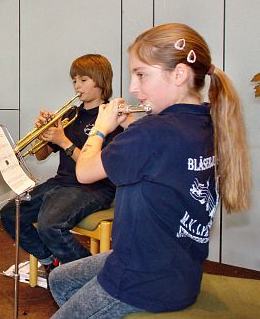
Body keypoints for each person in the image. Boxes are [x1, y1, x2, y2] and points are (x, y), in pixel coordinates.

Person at [49, 23, 252, 317]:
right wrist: (129, 125)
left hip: (140, 279)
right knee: (59, 277)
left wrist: (101, 128)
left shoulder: (151, 132)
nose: (133, 87)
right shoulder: (205, 120)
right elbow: (160, 155)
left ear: (179, 74)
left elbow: (85, 172)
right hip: (177, 269)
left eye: (141, 74)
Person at [0, 54, 132, 273]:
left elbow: (98, 167)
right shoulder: (71, 114)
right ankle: (51, 261)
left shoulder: (111, 117)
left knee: (50, 225)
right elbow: (41, 155)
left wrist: (63, 140)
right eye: (74, 80)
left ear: (101, 81)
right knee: (10, 214)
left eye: (83, 80)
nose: (77, 86)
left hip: (93, 188)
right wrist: (44, 134)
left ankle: (93, 275)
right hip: (61, 183)